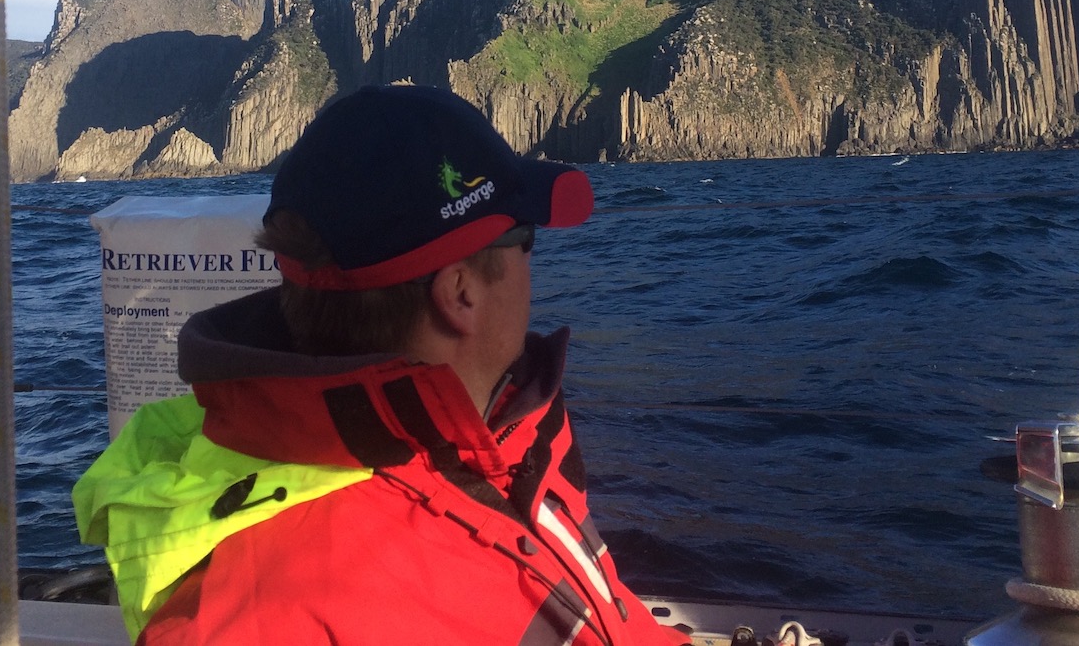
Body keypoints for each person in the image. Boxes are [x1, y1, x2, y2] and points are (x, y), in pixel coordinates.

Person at [74, 84, 689, 646]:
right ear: (461, 294)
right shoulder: (254, 620)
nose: (534, 262)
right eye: (523, 235)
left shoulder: (509, 434)